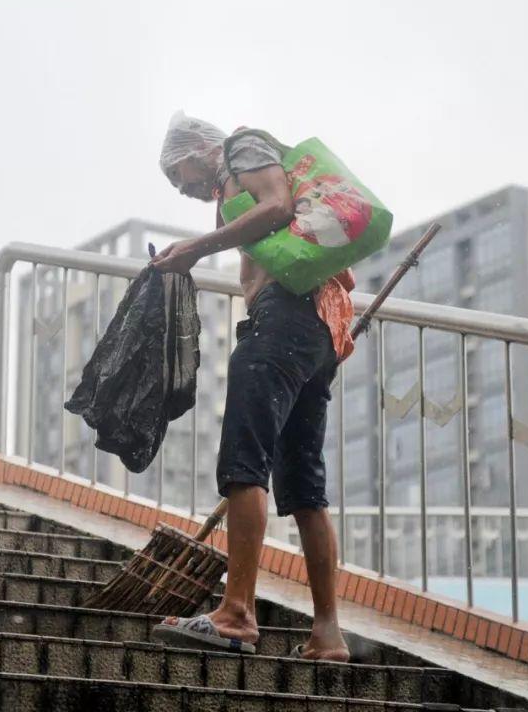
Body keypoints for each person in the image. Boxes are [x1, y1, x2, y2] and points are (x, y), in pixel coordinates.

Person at [150, 112, 354, 662]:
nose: (182, 188)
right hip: (316, 331)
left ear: (198, 150)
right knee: (304, 484)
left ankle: (236, 613)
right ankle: (327, 635)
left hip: (283, 321)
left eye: (178, 174)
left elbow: (277, 207)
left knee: (245, 459)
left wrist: (198, 247)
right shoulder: (241, 173)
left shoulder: (241, 149)